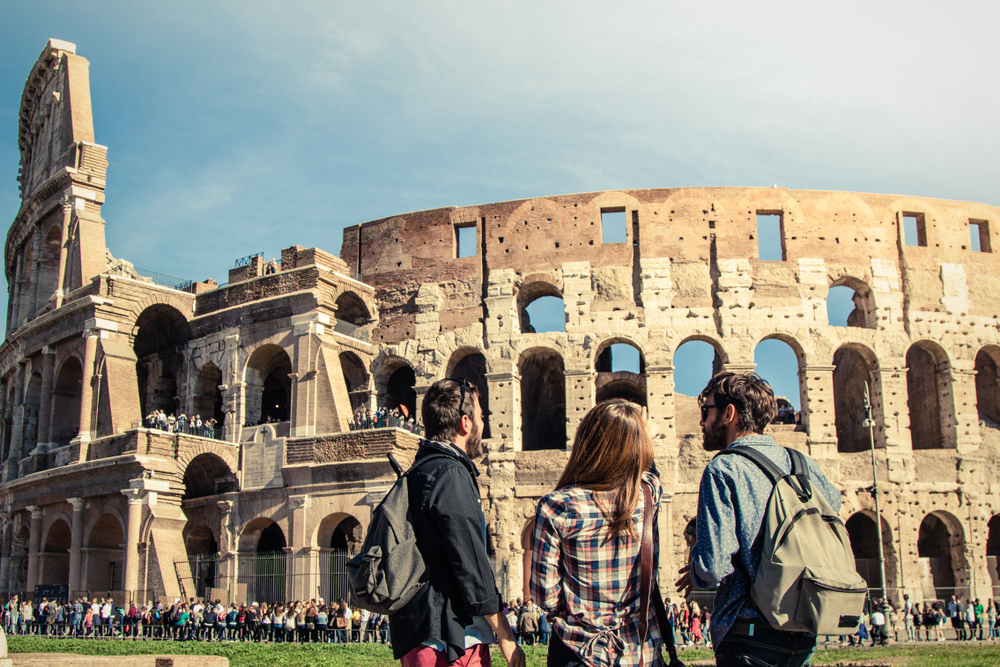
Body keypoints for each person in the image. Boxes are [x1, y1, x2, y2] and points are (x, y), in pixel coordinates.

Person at [677, 372, 841, 667]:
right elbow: (833, 510)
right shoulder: (802, 464)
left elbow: (713, 567)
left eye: (706, 412)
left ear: (729, 413)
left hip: (749, 631)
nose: (701, 422)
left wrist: (697, 569)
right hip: (803, 629)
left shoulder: (724, 469)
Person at [391, 378, 523, 667]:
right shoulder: (451, 473)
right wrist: (505, 634)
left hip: (418, 632)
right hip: (450, 639)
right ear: (465, 423)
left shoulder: (420, 470)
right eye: (481, 417)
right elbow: (470, 563)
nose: (483, 424)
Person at [531, 399, 665, 667]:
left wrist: (577, 611)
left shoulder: (557, 506)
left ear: (586, 443)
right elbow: (649, 471)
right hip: (639, 652)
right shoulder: (648, 496)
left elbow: (543, 596)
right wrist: (642, 436)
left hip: (579, 650)